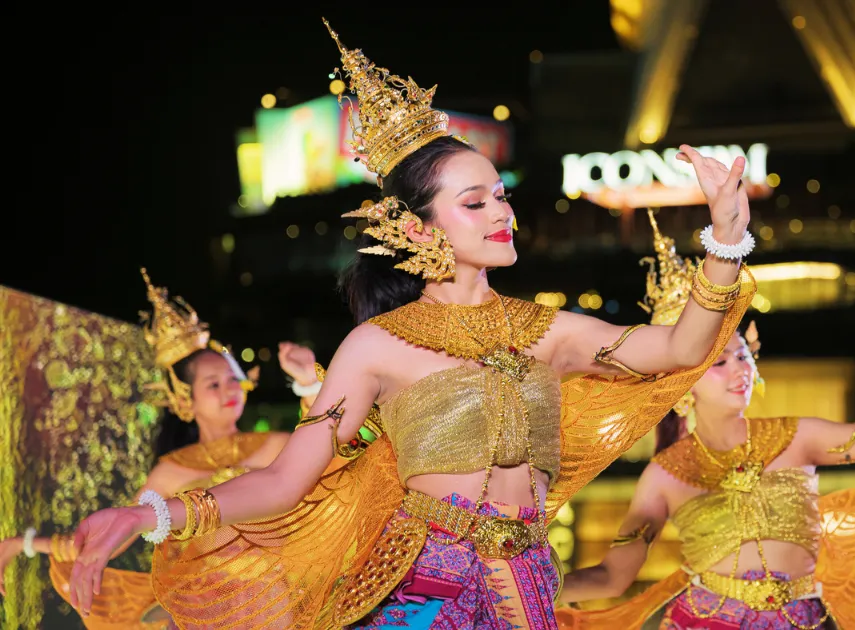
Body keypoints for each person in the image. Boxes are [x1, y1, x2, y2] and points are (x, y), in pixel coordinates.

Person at [64, 21, 760, 629]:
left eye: (501, 195)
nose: (502, 212)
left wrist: (726, 240)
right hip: (425, 589)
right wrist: (149, 514)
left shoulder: (548, 332)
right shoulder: (376, 346)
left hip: (530, 588)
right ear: (417, 228)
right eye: (475, 202)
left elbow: (681, 346)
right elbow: (282, 482)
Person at [554, 215, 855, 630]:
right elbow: (614, 576)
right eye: (720, 362)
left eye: (743, 356)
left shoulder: (797, 437)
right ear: (682, 383)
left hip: (802, 621)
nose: (740, 370)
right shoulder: (664, 475)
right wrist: (534, 586)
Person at [0, 270, 320, 629]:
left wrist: (308, 382)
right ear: (186, 400)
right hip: (203, 610)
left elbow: (326, 453)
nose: (229, 390)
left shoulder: (275, 446)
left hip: (274, 599)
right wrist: (25, 544)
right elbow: (111, 536)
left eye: (233, 379)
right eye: (213, 384)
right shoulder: (172, 470)